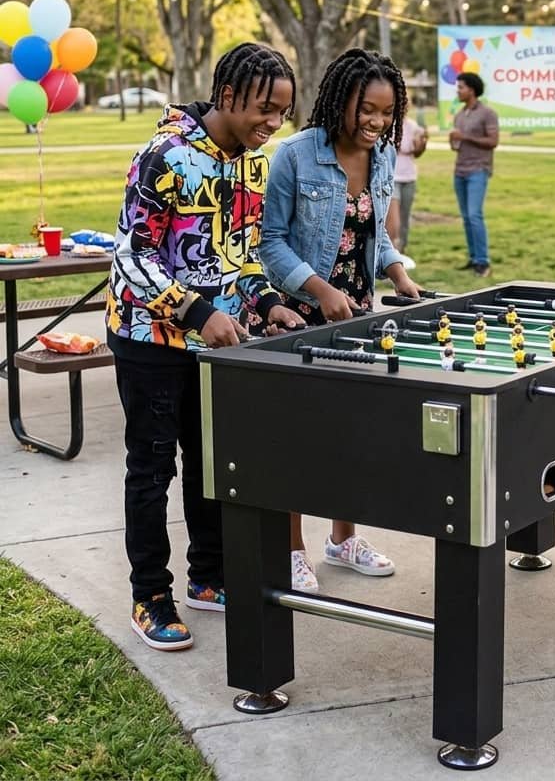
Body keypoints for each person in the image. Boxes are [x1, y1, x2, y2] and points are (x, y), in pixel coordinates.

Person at [107, 42, 305, 651]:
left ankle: (208, 576)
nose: (272, 124)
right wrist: (195, 311)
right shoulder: (163, 155)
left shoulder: (252, 163)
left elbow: (239, 254)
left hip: (212, 341)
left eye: (282, 113)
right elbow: (130, 256)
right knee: (151, 467)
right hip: (148, 338)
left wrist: (267, 301)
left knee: (208, 459)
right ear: (226, 96)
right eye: (264, 109)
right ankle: (151, 596)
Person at [259, 48, 421, 594]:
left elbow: (372, 234)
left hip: (358, 316)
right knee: (297, 439)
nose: (376, 122)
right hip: (299, 316)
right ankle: (291, 549)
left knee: (351, 434)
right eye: (366, 110)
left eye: (387, 112)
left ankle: (343, 539)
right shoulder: (295, 155)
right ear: (340, 100)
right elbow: (270, 244)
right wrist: (320, 289)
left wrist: (397, 273)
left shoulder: (382, 155)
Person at [450, 71, 499, 277]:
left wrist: (465, 137)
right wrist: (454, 140)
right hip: (460, 170)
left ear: (471, 89)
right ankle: (473, 258)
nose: (458, 91)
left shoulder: (487, 113)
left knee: (474, 215)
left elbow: (493, 141)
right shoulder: (460, 114)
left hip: (478, 170)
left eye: (461, 87)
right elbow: (457, 145)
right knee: (466, 218)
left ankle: (483, 262)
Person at [392, 114, 427, 255]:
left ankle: (401, 249)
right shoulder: (389, 123)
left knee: (405, 215)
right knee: (393, 218)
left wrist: (421, 144)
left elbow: (417, 152)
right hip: (392, 176)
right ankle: (391, 250)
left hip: (409, 176)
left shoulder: (412, 126)